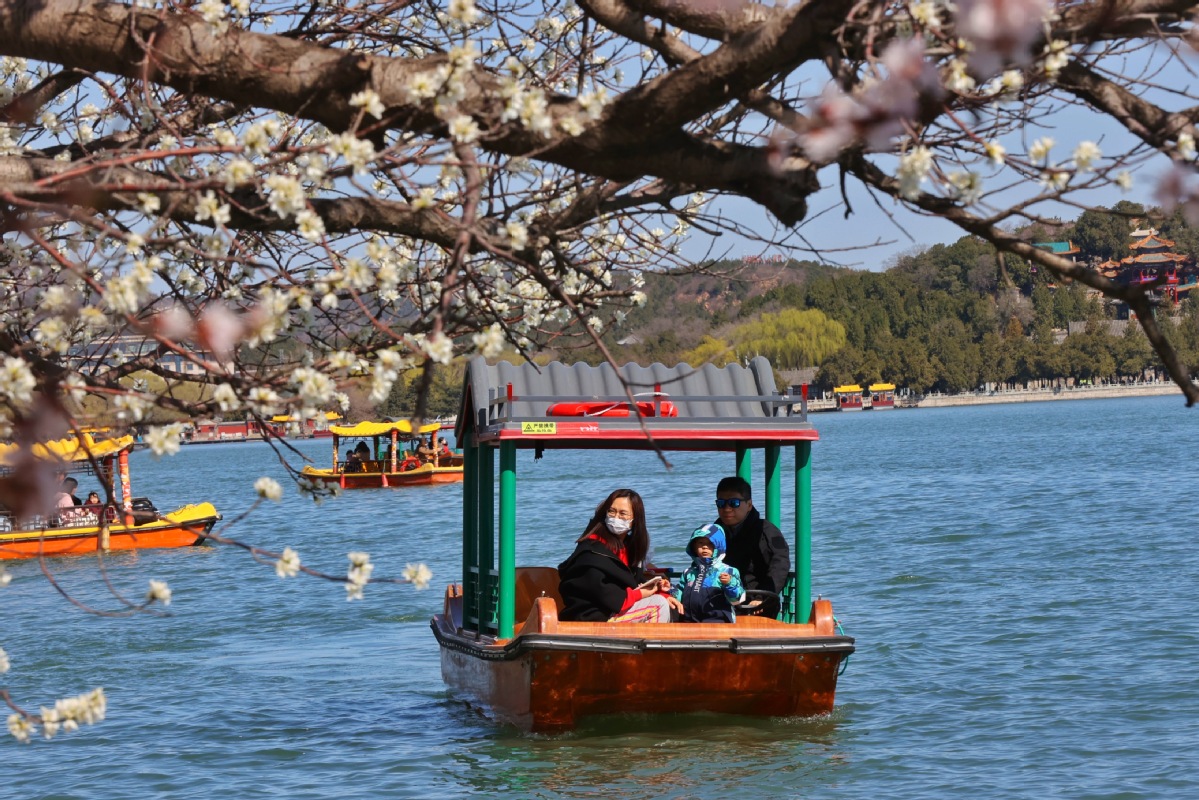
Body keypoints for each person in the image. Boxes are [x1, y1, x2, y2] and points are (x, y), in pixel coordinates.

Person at [557, 489, 683, 623]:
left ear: (635, 519)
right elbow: (603, 593)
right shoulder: (591, 550)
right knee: (658, 605)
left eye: (623, 513)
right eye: (611, 511)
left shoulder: (629, 548)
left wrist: (659, 590)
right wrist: (642, 594)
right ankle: (650, 644)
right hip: (593, 617)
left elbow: (636, 582)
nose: (615, 517)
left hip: (616, 610)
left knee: (668, 603)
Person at [714, 476, 790, 618]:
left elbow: (780, 563)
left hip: (756, 601)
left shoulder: (766, 530)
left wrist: (762, 598)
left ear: (749, 505)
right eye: (721, 503)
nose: (727, 508)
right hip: (721, 600)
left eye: (734, 503)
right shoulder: (712, 534)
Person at [672, 523, 745, 623]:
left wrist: (729, 583)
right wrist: (670, 590)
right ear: (693, 546)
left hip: (717, 621)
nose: (705, 547)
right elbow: (679, 595)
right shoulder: (688, 572)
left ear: (719, 546)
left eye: (710, 544)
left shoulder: (728, 571)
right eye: (700, 543)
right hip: (689, 620)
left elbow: (737, 599)